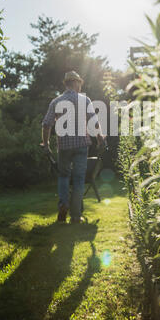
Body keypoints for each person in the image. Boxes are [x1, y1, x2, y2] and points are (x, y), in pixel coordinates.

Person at [41, 71, 104, 223]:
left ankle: (63, 205)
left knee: (63, 176)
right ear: (75, 83)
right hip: (81, 145)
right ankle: (76, 216)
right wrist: (100, 138)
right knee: (79, 179)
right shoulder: (84, 100)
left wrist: (46, 143)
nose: (80, 86)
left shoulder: (56, 101)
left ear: (66, 84)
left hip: (64, 147)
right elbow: (94, 122)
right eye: (80, 84)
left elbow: (46, 124)